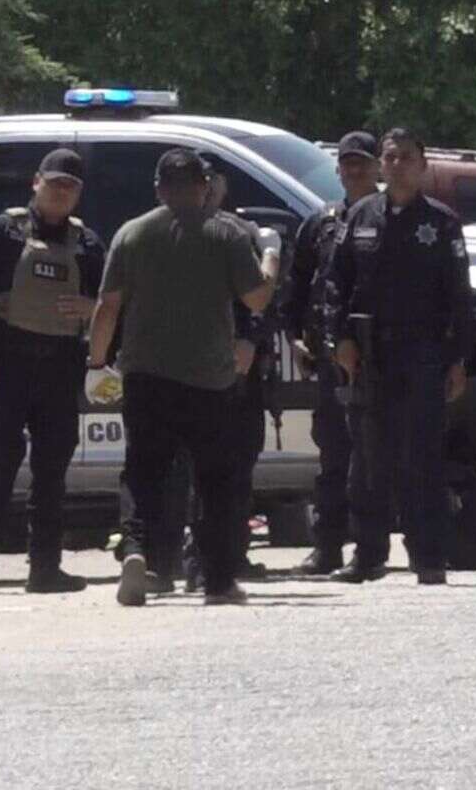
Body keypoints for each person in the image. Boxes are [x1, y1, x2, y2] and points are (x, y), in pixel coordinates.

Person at [88, 148, 280, 607]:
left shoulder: (132, 234)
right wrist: (271, 257)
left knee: (142, 472)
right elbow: (256, 299)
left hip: (145, 376)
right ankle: (217, 581)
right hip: (209, 380)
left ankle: (135, 550)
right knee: (215, 480)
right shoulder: (226, 233)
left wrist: (96, 363)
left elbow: (107, 307)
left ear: (158, 187)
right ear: (203, 186)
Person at [0, 148, 105, 595]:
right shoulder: (2, 231)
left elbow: (113, 305)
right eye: (54, 183)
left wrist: (90, 308)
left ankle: (45, 568)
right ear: (36, 182)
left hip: (61, 363)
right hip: (7, 360)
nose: (61, 192)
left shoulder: (89, 244)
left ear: (79, 194)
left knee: (52, 469)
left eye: (70, 186)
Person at [326, 128, 471, 586]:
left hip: (423, 354)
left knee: (422, 458)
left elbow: (459, 297)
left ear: (423, 164)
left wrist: (457, 359)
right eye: (390, 157)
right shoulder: (362, 217)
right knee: (368, 460)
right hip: (370, 354)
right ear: (381, 165)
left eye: (407, 157)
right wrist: (340, 339)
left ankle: (428, 556)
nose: (398, 165)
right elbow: (336, 283)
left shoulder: (442, 223)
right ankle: (368, 555)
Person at [282, 130, 381, 575]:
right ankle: (328, 547)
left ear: (377, 165)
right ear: (337, 169)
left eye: (363, 161)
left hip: (383, 358)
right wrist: (296, 336)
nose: (355, 170)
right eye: (347, 163)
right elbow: (298, 285)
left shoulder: (390, 219)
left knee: (378, 454)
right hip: (330, 359)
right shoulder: (320, 222)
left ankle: (374, 547)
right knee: (334, 455)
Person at [181, 165, 278, 593]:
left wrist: (252, 341)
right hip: (192, 366)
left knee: (240, 460)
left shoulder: (242, 233)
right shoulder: (170, 231)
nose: (206, 189)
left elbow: (267, 298)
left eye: (211, 182)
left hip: (241, 365)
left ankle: (232, 551)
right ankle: (196, 560)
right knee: (198, 466)